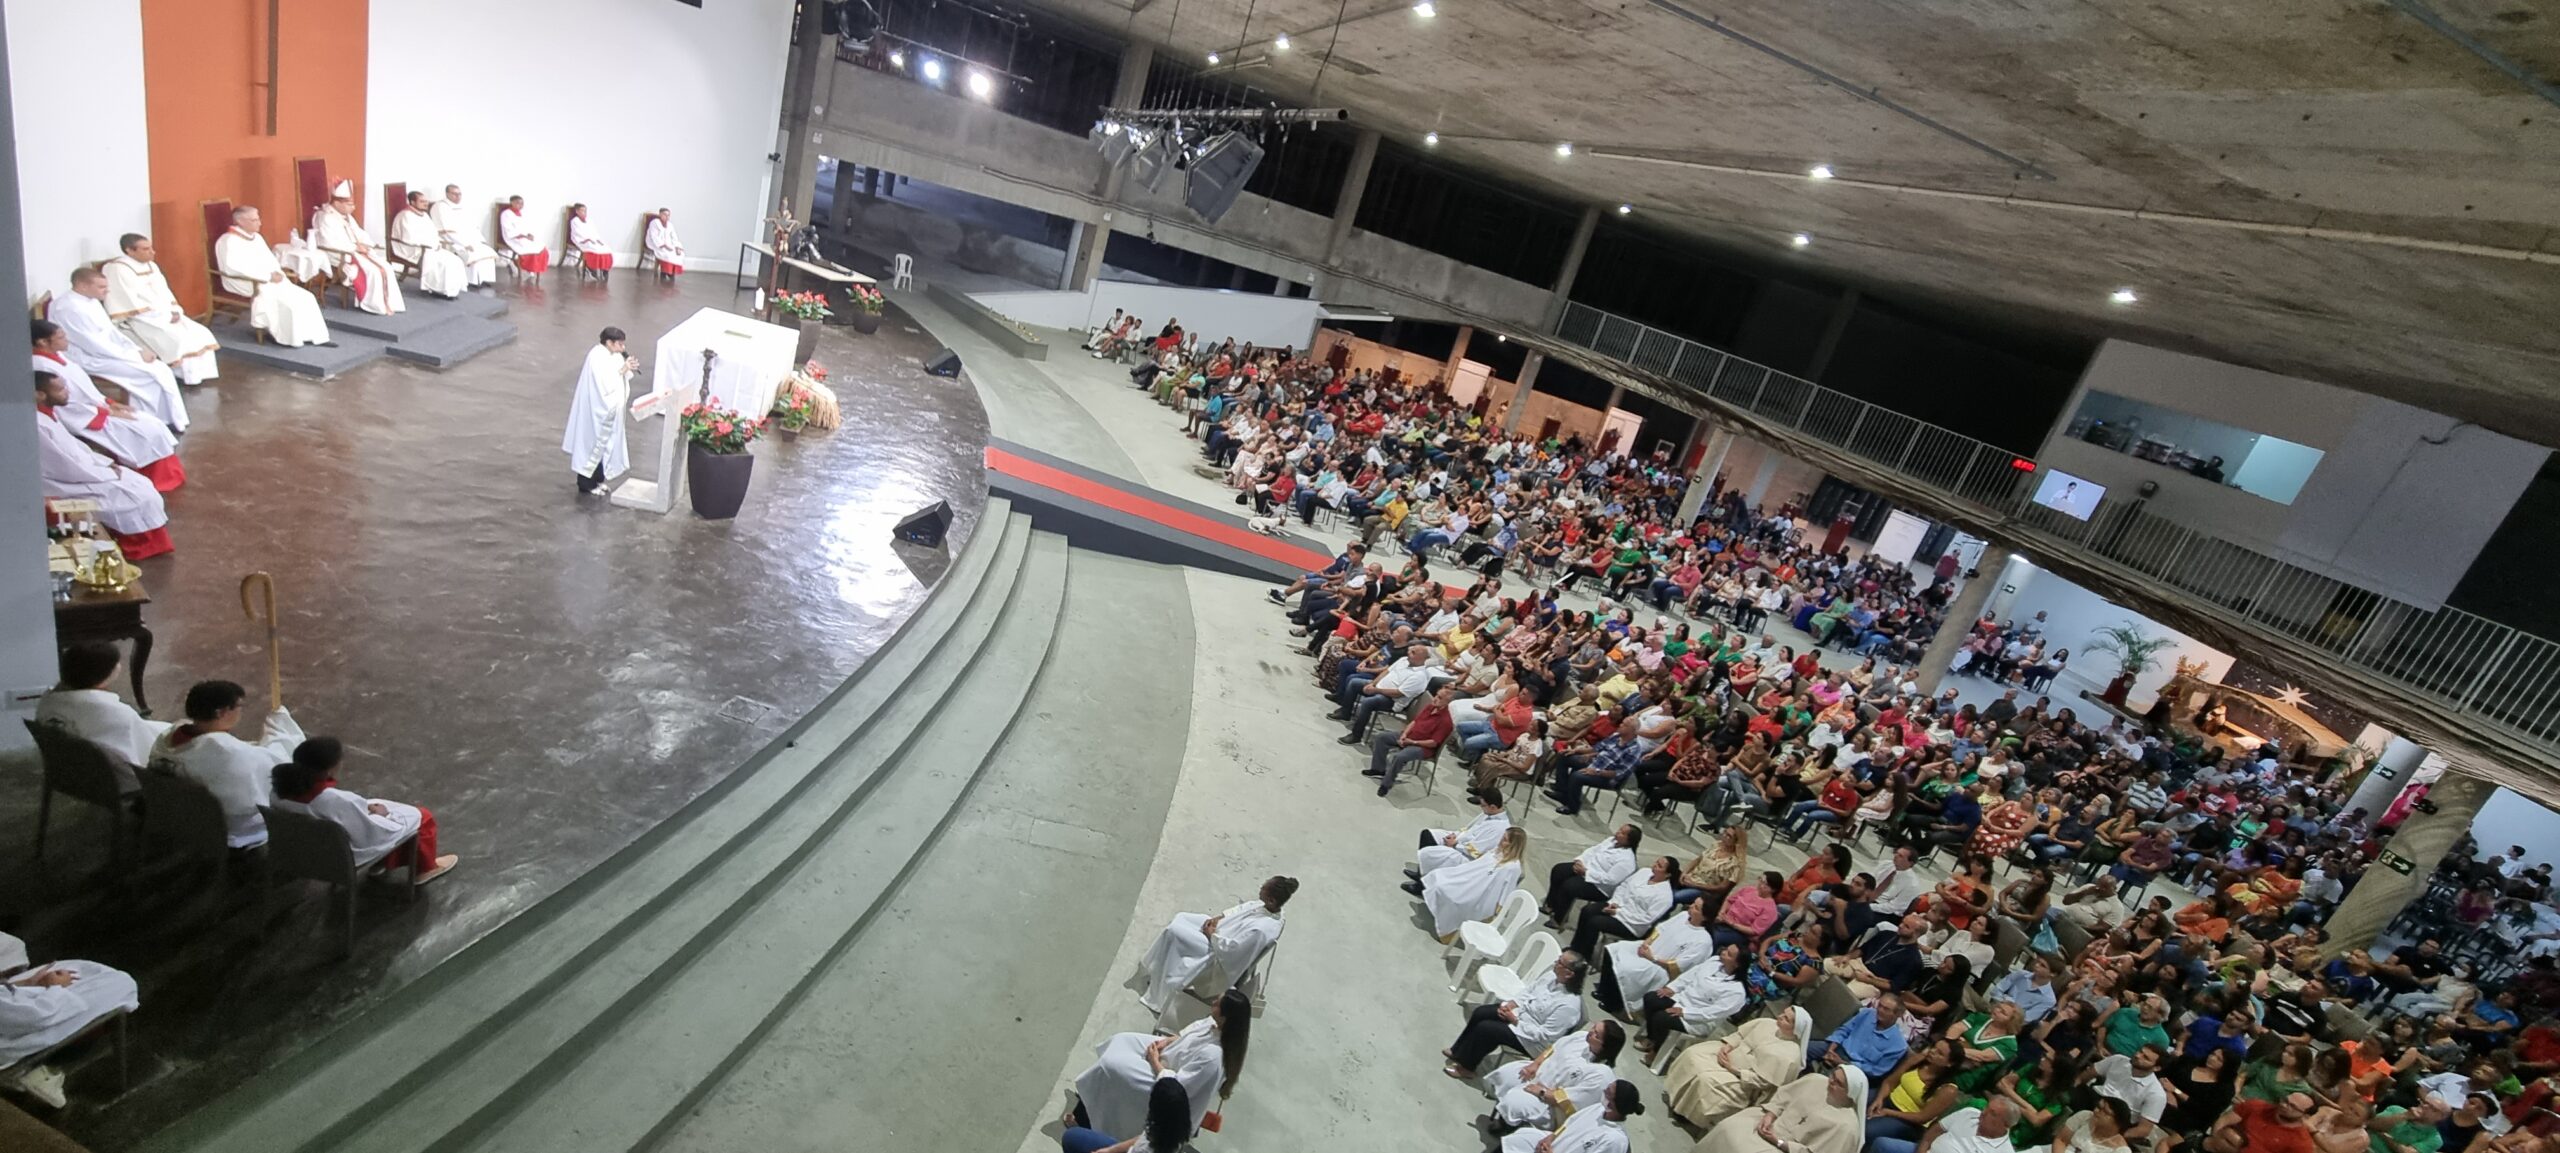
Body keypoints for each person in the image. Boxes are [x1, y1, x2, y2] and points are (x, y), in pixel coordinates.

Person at [269, 737, 458, 881]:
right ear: (332, 767)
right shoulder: (338, 800)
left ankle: (385, 862)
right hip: (339, 860)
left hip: (301, 853)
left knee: (371, 807)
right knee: (421, 817)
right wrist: (384, 815)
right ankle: (426, 868)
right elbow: (372, 834)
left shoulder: (277, 791)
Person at [146, 679, 304, 849]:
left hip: (176, 811)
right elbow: (275, 765)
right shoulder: (225, 751)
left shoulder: (169, 734)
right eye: (238, 706)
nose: (240, 711)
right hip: (222, 826)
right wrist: (279, 727)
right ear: (221, 712)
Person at [1070, 988, 1246, 1141]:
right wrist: (1168, 1041)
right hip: (1168, 1057)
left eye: (1218, 1003)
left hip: (1166, 1086)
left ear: (1225, 1018)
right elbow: (1189, 1037)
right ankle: (1091, 1095)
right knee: (1121, 1040)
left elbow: (1178, 1088)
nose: (1213, 1002)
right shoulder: (1215, 1026)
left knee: (1111, 1066)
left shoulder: (1213, 1058)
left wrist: (1155, 1061)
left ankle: (1087, 1119)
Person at [33, 370, 174, 559]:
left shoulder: (47, 413)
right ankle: (134, 545)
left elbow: (75, 448)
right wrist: (105, 472)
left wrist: (105, 463)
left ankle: (146, 542)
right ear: (40, 395)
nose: (67, 392)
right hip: (66, 481)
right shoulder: (38, 424)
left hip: (84, 470)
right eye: (60, 390)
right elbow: (64, 466)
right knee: (132, 496)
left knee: (140, 484)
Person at [33, 319, 183, 489]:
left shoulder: (57, 356)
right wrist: (107, 412)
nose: (66, 340)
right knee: (145, 430)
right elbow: (64, 406)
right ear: (42, 342)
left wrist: (110, 402)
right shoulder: (42, 366)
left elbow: (84, 389)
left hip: (95, 409)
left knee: (152, 423)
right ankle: (153, 477)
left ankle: (162, 475)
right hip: (84, 418)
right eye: (60, 337)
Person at [0, 931, 141, 1109]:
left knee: (106, 981)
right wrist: (55, 988)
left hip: (19, 1014)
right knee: (117, 987)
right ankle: (39, 1070)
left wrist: (26, 984)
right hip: (13, 1039)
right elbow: (38, 1016)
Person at [48, 265, 189, 432]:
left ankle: (164, 419)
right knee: (148, 374)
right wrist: (134, 355)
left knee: (159, 369)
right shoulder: (69, 308)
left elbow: (110, 332)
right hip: (87, 357)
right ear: (83, 286)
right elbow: (92, 343)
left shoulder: (90, 301)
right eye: (101, 287)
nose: (107, 291)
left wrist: (136, 349)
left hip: (106, 352)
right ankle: (144, 421)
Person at [1133, 875, 1297, 1013]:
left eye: (1263, 888)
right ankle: (1157, 970)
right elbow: (1242, 909)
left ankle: (1162, 985)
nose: (1260, 888)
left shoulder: (1261, 930)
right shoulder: (1270, 907)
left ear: (1271, 900)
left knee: (1174, 932)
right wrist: (1219, 918)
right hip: (1219, 931)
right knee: (1182, 917)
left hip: (1216, 954)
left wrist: (1211, 934)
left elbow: (1233, 951)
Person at [32, 642, 168, 791]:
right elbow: (142, 758)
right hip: (113, 782)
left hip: (68, 772)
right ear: (103, 675)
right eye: (116, 664)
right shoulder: (114, 713)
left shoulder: (49, 700)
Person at [100, 233, 220, 390]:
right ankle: (181, 375)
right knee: (177, 338)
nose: (152, 252)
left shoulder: (151, 265)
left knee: (199, 332)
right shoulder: (116, 269)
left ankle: (197, 375)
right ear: (130, 250)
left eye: (151, 248)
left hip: (165, 313)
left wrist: (175, 310)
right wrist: (164, 316)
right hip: (139, 318)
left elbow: (165, 291)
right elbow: (127, 301)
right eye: (146, 249)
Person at [1667, 1006, 1815, 1129]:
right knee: (1693, 1053)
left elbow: (1762, 1082)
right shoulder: (1766, 1023)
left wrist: (1733, 1069)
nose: (1780, 1017)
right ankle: (1675, 1095)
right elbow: (1740, 1035)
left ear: (1795, 1029)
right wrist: (1728, 1046)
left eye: (1786, 1019)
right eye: (1783, 1013)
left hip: (1744, 1081)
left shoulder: (1790, 1055)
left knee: (1706, 1079)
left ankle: (1686, 1113)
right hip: (1729, 1054)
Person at [1445, 951, 1589, 1076]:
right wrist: (1511, 1005)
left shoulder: (1569, 1006)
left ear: (1569, 973)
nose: (1555, 963)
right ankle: (1457, 1051)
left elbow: (1544, 1036)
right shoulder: (1551, 976)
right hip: (1520, 1014)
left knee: (1487, 1029)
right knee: (1482, 1012)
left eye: (1560, 962)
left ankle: (1467, 1067)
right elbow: (1529, 991)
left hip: (1532, 1040)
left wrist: (1515, 1021)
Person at [213, 206, 334, 347]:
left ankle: (315, 337)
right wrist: (267, 276)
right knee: (286, 303)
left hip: (269, 279)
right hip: (247, 281)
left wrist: (276, 272)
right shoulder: (228, 241)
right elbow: (233, 268)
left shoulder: (257, 238)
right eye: (254, 220)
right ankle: (289, 338)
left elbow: (270, 260)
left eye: (258, 218)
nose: (260, 223)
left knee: (307, 297)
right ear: (240, 221)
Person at [1483, 1020, 1625, 1131]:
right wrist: (1535, 1064)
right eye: (1594, 1027)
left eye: (1596, 1034)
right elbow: (1553, 1049)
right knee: (1505, 1076)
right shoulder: (1580, 1037)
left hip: (1549, 1103)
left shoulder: (1600, 1074)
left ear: (1605, 1046)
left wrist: (1542, 1092)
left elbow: (1573, 1102)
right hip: (1537, 1074)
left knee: (1515, 1100)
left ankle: (1507, 1126)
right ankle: (1503, 1117)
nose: (1590, 1032)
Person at [1696, 1066, 1871, 1153]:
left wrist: (1779, 1142)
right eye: (1833, 1075)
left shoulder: (1847, 1127)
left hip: (1785, 1149)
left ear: (1851, 1093)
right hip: (1771, 1123)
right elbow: (1783, 1098)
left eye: (1838, 1083)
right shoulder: (1816, 1080)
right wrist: (1770, 1115)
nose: (1830, 1081)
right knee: (1728, 1128)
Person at [1597, 896, 1715, 1019]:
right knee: (1613, 949)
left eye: (1696, 907)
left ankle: (1614, 1004)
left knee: (1626, 967)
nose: (1691, 906)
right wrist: (1646, 943)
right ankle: (1604, 991)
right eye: (1693, 903)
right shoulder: (1683, 916)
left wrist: (1653, 958)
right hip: (1649, 949)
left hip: (1661, 967)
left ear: (1705, 917)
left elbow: (1680, 965)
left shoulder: (1703, 940)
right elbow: (1660, 930)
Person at [310, 182, 405, 315]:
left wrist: (367, 243)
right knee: (372, 271)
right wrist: (355, 247)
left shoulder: (346, 216)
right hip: (340, 253)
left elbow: (359, 232)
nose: (353, 208)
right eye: (349, 205)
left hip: (356, 251)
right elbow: (329, 241)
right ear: (337, 203)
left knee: (387, 268)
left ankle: (390, 303)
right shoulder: (325, 217)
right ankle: (372, 304)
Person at [1418, 826, 1528, 940]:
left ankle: (1448, 930)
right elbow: (1476, 867)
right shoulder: (1497, 851)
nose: (1500, 841)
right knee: (1439, 877)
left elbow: (1507, 890)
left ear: (1514, 845)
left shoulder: (1513, 867)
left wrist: (1498, 912)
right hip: (1470, 882)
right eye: (1502, 837)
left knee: (1452, 895)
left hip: (1482, 896)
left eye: (1505, 839)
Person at [563, 327, 636, 494]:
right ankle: (586, 485)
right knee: (591, 445)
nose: (622, 348)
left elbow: (619, 375)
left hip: (609, 411)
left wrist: (627, 369)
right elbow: (604, 384)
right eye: (619, 344)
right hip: (595, 412)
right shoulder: (596, 356)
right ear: (609, 342)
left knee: (604, 447)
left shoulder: (615, 355)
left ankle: (597, 480)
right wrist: (623, 370)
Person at [1500, 1078, 1642, 1153]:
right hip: (1553, 1146)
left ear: (1614, 1104)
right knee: (1519, 1139)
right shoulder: (1598, 1108)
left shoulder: (1614, 1141)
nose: (1603, 1091)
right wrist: (1550, 1138)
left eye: (1608, 1092)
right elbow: (1570, 1124)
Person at [1059, 1074, 1189, 1153]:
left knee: (1071, 1138)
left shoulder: (1145, 1150)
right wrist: (1110, 1151)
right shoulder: (1173, 1131)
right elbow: (1145, 1136)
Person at [1543, 825, 1642, 928]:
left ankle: (1559, 919)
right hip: (1586, 868)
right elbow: (1593, 850)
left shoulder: (1627, 860)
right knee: (1559, 870)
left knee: (1569, 886)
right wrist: (1580, 860)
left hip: (1599, 886)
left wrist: (1586, 873)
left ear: (1629, 840)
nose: (1617, 833)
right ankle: (1551, 904)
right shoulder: (1611, 841)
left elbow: (1610, 879)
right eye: (1619, 830)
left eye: (1622, 833)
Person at [1412, 788, 1513, 879]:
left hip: (1467, 857)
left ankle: (1422, 884)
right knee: (1428, 834)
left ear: (1493, 807)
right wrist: (1455, 835)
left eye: (1483, 805)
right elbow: (1469, 829)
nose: (1481, 808)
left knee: (1435, 852)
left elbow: (1476, 852)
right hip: (1459, 841)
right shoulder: (1488, 813)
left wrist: (1455, 844)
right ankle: (1421, 873)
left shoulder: (1499, 829)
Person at [390, 190, 470, 298]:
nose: (426, 204)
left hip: (432, 248)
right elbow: (409, 237)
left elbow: (432, 232)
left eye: (426, 201)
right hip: (413, 249)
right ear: (413, 203)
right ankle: (436, 289)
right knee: (443, 264)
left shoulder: (424, 215)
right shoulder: (406, 216)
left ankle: (448, 290)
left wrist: (435, 244)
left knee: (455, 261)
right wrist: (430, 245)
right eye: (422, 201)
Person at [1814, 994, 1910, 1081]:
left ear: (1898, 1014)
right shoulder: (1867, 1013)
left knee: (1824, 1080)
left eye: (1886, 1009)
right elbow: (1844, 1030)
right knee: (1805, 1047)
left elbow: (1875, 1071)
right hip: (1838, 1048)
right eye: (1880, 1005)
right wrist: (1831, 1050)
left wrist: (1841, 1063)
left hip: (1854, 1068)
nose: (1880, 1010)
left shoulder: (1898, 1045)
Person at [429, 185, 501, 287]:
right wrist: (464, 244)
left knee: (486, 251)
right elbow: (446, 230)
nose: (458, 197)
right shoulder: (440, 207)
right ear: (447, 194)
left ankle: (483, 279)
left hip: (470, 238)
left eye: (459, 194)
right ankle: (472, 280)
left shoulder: (463, 206)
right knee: (473, 253)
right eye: (454, 194)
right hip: (453, 239)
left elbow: (472, 226)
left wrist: (480, 239)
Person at [2205, 1092, 2320, 1153]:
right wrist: (2215, 1141)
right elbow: (2224, 1121)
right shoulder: (2257, 1106)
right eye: (2285, 1100)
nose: (2284, 1105)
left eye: (2292, 1107)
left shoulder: (2301, 1143)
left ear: (2305, 1116)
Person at [497, 195, 552, 275]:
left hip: (524, 237)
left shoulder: (521, 214)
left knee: (541, 247)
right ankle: (524, 267)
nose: (520, 206)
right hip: (513, 238)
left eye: (522, 204)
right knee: (528, 247)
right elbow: (508, 229)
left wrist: (529, 234)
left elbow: (525, 227)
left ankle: (532, 268)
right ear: (512, 203)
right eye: (518, 203)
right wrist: (523, 236)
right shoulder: (506, 214)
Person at [567, 203, 614, 279]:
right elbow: (577, 232)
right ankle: (591, 268)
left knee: (606, 248)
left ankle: (605, 269)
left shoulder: (589, 221)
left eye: (585, 211)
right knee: (593, 249)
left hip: (593, 239)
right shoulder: (575, 221)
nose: (584, 213)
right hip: (582, 240)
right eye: (582, 211)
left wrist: (595, 239)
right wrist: (587, 239)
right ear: (577, 211)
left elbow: (594, 232)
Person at [645, 208, 685, 279]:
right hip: (656, 244)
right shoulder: (654, 223)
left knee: (678, 254)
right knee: (666, 253)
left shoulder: (670, 225)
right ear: (660, 214)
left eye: (668, 215)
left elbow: (674, 237)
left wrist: (677, 247)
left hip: (669, 244)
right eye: (665, 215)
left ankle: (671, 272)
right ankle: (665, 271)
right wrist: (664, 245)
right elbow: (654, 237)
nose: (667, 217)